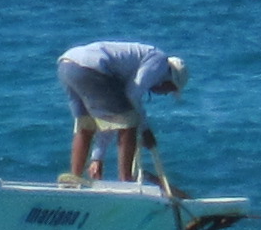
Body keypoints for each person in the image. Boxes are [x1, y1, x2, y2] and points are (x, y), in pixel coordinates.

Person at [58, 37, 185, 185]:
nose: (165, 94)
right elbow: (133, 94)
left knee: (86, 124)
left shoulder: (130, 70)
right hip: (91, 67)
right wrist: (145, 130)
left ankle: (75, 178)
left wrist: (97, 157)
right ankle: (126, 181)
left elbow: (109, 119)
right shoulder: (160, 62)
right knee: (130, 123)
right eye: (170, 90)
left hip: (67, 64)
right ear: (170, 80)